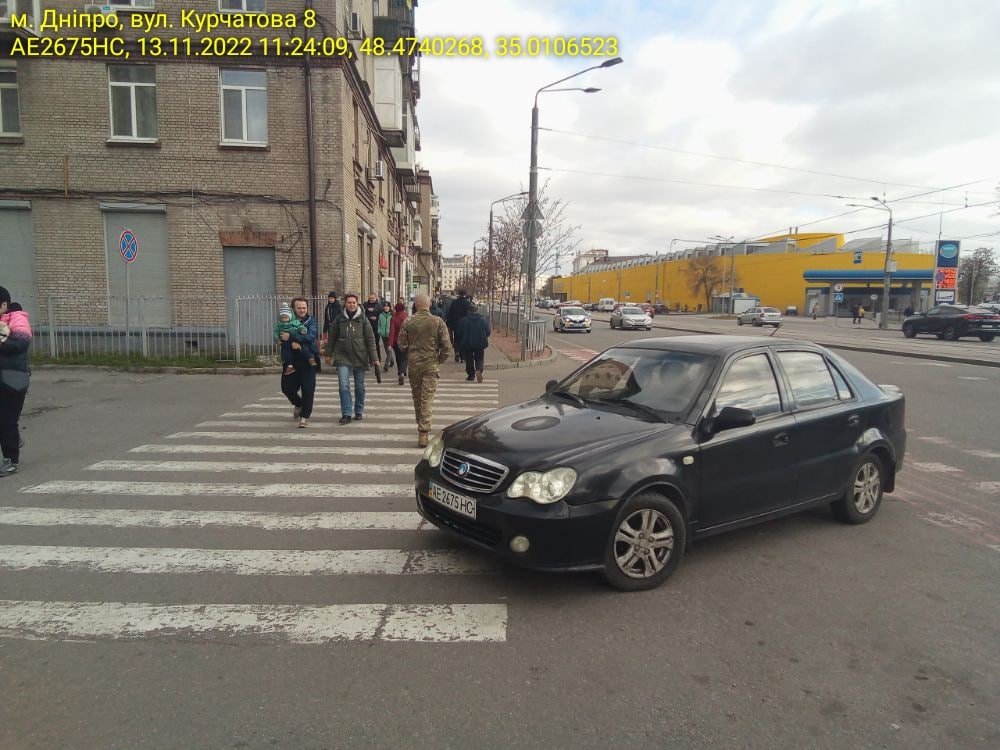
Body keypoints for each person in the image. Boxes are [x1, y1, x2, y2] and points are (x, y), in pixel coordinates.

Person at [398, 293, 453, 447]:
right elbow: (447, 346)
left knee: (417, 396)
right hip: (430, 365)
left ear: (415, 305)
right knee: (427, 397)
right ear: (429, 305)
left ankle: (420, 424)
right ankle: (424, 432)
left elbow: (401, 344)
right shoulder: (437, 321)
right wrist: (439, 360)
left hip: (414, 365)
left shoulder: (408, 321)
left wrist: (411, 351)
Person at [324, 292, 378, 425]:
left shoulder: (363, 319)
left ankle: (358, 410)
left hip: (360, 356)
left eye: (354, 302)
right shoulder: (340, 319)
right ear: (345, 304)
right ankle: (346, 413)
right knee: (343, 386)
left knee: (359, 387)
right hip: (343, 356)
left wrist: (374, 358)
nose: (351, 304)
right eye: (349, 302)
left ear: (357, 303)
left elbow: (371, 340)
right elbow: (332, 337)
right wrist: (328, 353)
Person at [0, 286, 32, 476]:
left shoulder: (17, 319)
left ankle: (11, 460)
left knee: (7, 420)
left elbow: (21, 343)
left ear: (4, 305)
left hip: (13, 378)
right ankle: (13, 438)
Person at [279, 297, 319, 428]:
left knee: (308, 389)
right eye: (299, 308)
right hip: (291, 359)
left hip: (308, 359)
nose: (302, 310)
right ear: (293, 309)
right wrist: (279, 338)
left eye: (304, 308)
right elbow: (281, 334)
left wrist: (292, 338)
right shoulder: (287, 321)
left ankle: (304, 417)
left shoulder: (311, 321)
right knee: (287, 388)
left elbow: (310, 336)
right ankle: (299, 404)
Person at [455, 302, 491, 383]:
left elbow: (458, 333)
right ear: (477, 310)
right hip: (480, 343)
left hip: (467, 343)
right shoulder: (483, 320)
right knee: (479, 358)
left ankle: (471, 375)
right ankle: (479, 370)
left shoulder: (463, 321)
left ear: (468, 311)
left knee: (469, 359)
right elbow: (488, 331)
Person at [274, 303, 314, 375]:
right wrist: (277, 339)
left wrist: (302, 330)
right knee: (286, 352)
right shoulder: (280, 325)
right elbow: (276, 332)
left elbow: (305, 332)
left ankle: (310, 358)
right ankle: (289, 365)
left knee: (304, 348)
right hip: (286, 342)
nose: (284, 319)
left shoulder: (297, 322)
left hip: (297, 341)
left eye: (304, 308)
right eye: (282, 318)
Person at [446, 288, 471, 362]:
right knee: (464, 339)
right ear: (465, 294)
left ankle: (457, 351)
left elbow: (450, 313)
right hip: (465, 325)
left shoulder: (454, 302)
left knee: (456, 338)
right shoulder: (467, 303)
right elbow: (469, 314)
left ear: (459, 293)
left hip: (455, 324)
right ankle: (463, 357)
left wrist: (448, 324)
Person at [388, 302, 409, 386]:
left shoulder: (393, 318)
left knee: (398, 357)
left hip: (396, 342)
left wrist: (389, 344)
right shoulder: (407, 317)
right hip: (406, 341)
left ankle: (400, 372)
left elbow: (392, 332)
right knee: (405, 358)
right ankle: (402, 373)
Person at [363, 292, 383, 360]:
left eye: (373, 298)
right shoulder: (365, 304)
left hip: (376, 326)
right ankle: (369, 358)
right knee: (367, 342)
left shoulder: (379, 305)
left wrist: (376, 317)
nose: (371, 299)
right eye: (370, 298)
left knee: (376, 342)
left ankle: (378, 357)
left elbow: (382, 315)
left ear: (376, 298)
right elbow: (362, 314)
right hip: (367, 326)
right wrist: (367, 311)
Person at [377, 301, 393, 368]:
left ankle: (386, 364)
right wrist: (379, 331)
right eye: (385, 306)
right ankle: (392, 361)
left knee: (388, 349)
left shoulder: (392, 315)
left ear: (389, 307)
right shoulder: (381, 315)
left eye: (387, 306)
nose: (386, 307)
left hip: (390, 335)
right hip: (383, 335)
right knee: (386, 349)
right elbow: (379, 324)